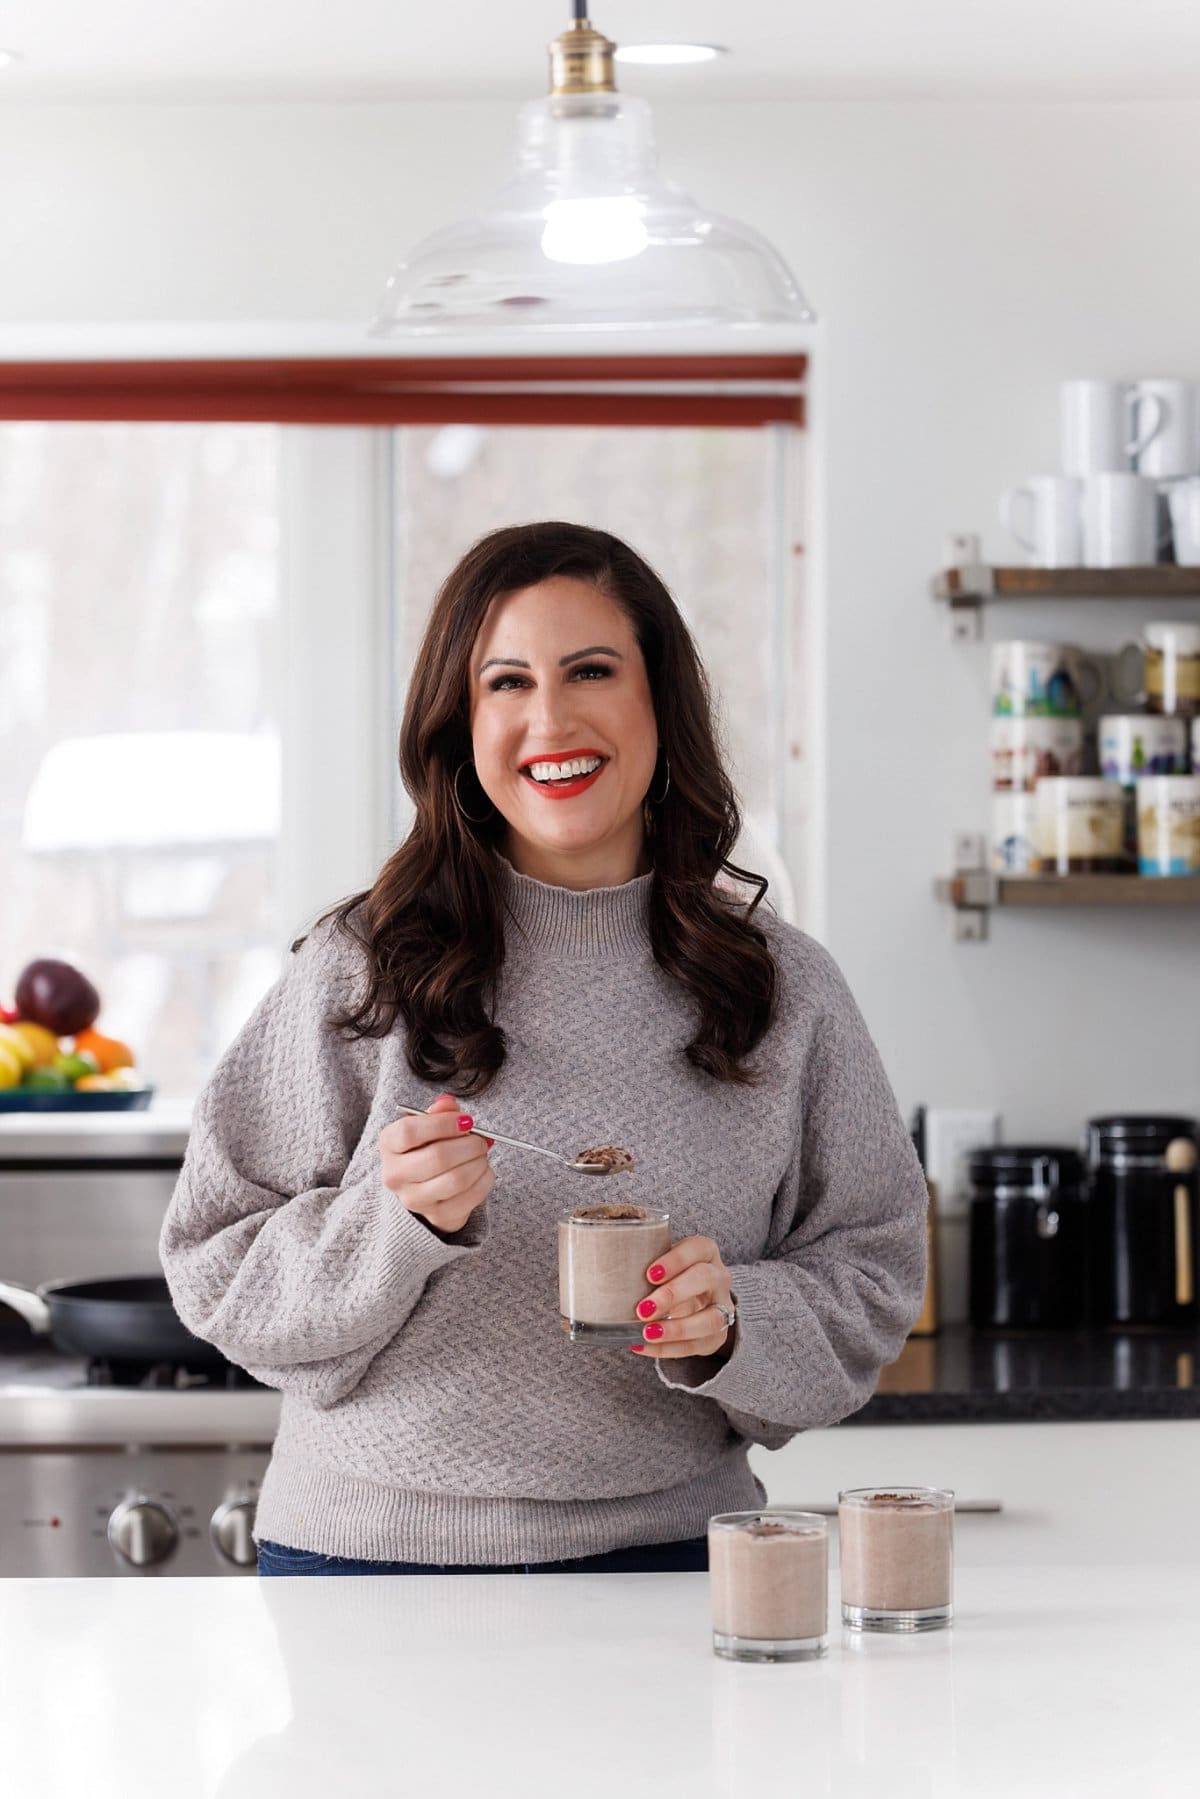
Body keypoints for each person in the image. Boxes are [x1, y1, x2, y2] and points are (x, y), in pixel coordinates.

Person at [159, 520, 928, 1577]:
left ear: (661, 700)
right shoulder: (359, 967)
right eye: (506, 682)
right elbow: (214, 1264)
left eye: (592, 671)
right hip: (365, 1567)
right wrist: (393, 1224)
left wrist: (733, 1325)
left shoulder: (786, 989)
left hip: (667, 1560)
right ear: (460, 726)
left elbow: (874, 1269)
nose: (550, 718)